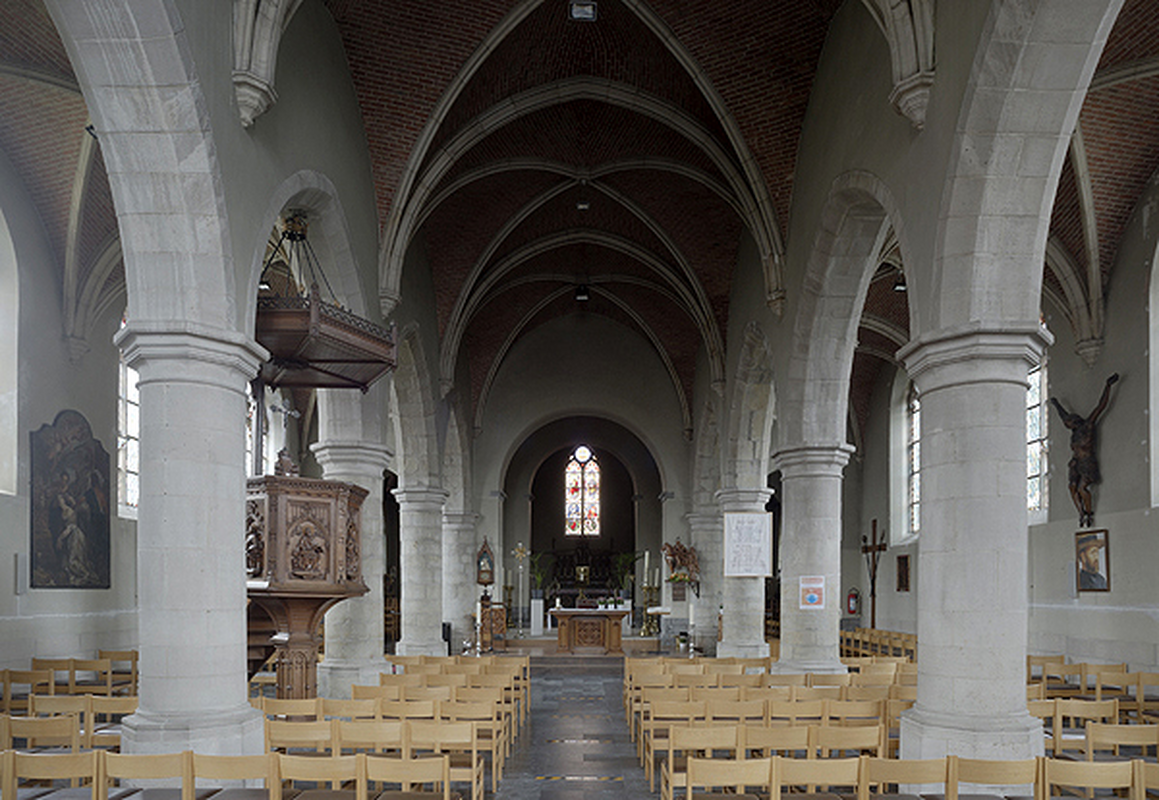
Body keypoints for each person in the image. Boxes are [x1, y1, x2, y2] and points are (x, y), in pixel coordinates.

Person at [1051, 373, 1118, 527]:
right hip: (1075, 462)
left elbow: (1101, 406)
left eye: (1069, 424)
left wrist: (1108, 386)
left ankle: (1089, 513)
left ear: (1075, 422)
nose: (1067, 426)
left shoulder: (1087, 425)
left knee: (1082, 488)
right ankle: (1081, 514)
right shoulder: (1074, 432)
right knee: (1072, 487)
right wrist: (1056, 405)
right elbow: (1063, 416)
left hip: (1087, 462)